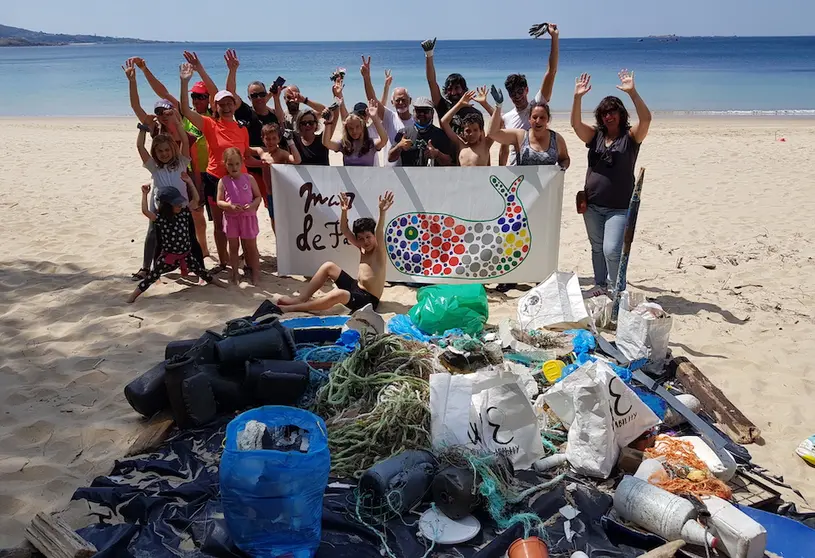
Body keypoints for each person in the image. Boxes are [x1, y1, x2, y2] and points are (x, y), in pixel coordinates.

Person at [571, 69, 652, 296]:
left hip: (618, 206)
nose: (609, 116)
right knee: (597, 248)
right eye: (605, 113)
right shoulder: (595, 136)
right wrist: (577, 98)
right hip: (593, 205)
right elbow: (576, 125)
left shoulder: (631, 138)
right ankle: (600, 285)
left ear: (620, 114)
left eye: (613, 112)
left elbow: (646, 119)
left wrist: (632, 92)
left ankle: (618, 289)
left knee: (611, 250)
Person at [128, 53, 217, 260]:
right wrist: (138, 75)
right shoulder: (157, 128)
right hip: (171, 178)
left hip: (195, 174)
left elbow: (166, 95)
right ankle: (168, 256)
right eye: (161, 113)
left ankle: (201, 251)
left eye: (168, 111)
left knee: (195, 215)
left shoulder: (187, 121)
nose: (164, 115)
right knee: (163, 219)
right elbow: (142, 104)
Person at [180, 62, 252, 273]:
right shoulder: (209, 124)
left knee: (243, 224)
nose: (227, 106)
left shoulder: (242, 128)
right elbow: (184, 109)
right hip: (215, 180)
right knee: (220, 226)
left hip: (240, 181)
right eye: (222, 104)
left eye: (230, 102)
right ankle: (224, 262)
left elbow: (246, 155)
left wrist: (267, 156)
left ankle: (246, 261)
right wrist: (185, 82)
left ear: (235, 104)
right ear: (216, 106)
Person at [276, 191, 394, 313]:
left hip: (368, 300)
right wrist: (344, 211)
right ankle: (301, 299)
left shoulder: (379, 251)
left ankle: (293, 308)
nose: (365, 241)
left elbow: (379, 231)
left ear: (374, 236)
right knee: (328, 266)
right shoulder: (362, 247)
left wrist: (382, 212)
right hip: (356, 288)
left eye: (368, 237)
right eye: (361, 238)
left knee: (338, 294)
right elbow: (344, 229)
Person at [127, 186, 225, 303]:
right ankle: (132, 297)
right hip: (167, 257)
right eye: (176, 203)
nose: (179, 205)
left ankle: (220, 285)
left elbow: (196, 200)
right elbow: (145, 211)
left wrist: (189, 182)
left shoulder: (184, 213)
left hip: (186, 255)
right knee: (151, 277)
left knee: (201, 272)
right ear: (167, 205)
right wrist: (144, 194)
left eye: (180, 202)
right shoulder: (161, 219)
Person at [498, 23, 560, 166]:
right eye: (513, 93)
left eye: (520, 91)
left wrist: (554, 38)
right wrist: (501, 170)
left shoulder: (537, 106)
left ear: (527, 90)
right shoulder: (506, 118)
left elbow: (551, 72)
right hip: (516, 170)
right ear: (509, 95)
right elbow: (504, 149)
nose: (517, 96)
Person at [487, 86, 570, 168]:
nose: (538, 121)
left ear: (548, 119)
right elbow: (492, 133)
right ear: (529, 119)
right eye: (534, 117)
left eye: (542, 117)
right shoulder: (520, 136)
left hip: (549, 182)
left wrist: (561, 168)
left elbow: (565, 159)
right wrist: (498, 106)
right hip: (523, 180)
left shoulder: (556, 139)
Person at [422, 38, 489, 134]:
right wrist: (429, 55)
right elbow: (431, 81)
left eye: (457, 88)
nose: (453, 93)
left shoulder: (475, 113)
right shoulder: (443, 106)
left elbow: (481, 140)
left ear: (464, 89)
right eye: (450, 89)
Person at [216, 148, 262, 285]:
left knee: (251, 246)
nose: (234, 167)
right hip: (232, 219)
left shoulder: (249, 178)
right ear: (225, 164)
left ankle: (255, 274)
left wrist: (253, 205)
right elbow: (219, 201)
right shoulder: (223, 181)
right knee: (233, 246)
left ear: (242, 163)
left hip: (248, 218)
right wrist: (229, 206)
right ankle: (235, 273)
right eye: (230, 164)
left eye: (237, 164)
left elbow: (258, 196)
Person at [251, 123, 302, 233]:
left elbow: (297, 160)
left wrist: (290, 142)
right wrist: (256, 162)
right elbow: (244, 150)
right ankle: (278, 240)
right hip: (269, 193)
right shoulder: (261, 152)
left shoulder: (281, 153)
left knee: (284, 218)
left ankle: (287, 239)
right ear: (262, 139)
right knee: (273, 218)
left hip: (281, 193)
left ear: (279, 139)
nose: (271, 141)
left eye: (274, 138)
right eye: (267, 139)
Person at [388, 97, 454, 167]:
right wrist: (399, 147)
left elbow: (449, 161)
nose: (422, 114)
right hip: (409, 176)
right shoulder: (403, 133)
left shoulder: (440, 134)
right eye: (418, 111)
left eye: (425, 111)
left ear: (432, 113)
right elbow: (390, 158)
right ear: (413, 112)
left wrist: (437, 154)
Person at [323, 100, 387, 166]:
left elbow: (384, 140)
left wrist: (374, 118)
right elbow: (326, 143)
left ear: (362, 126)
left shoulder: (370, 144)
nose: (354, 131)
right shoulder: (344, 145)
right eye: (350, 128)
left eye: (357, 127)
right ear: (346, 129)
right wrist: (328, 122)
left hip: (368, 176)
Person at [440, 88, 494, 166]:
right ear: (462, 132)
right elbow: (444, 122)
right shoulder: (460, 144)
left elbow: (499, 121)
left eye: (475, 130)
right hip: (462, 178)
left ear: (481, 131)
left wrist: (484, 104)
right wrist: (459, 104)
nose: (471, 134)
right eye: (468, 131)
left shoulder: (485, 144)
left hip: (480, 178)